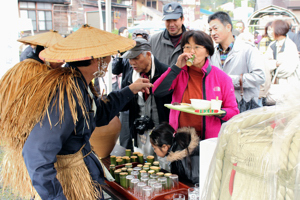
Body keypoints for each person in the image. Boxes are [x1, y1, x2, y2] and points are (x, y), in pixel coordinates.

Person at [0, 25, 152, 200]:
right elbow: (37, 153)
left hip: (83, 171)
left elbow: (98, 113)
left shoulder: (79, 83)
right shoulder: (65, 94)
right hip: (66, 183)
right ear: (97, 59)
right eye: (107, 55)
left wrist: (129, 90)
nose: (110, 59)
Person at [153, 30, 239, 139]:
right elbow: (157, 91)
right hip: (180, 138)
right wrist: (176, 67)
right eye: (187, 47)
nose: (191, 51)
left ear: (207, 52)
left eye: (197, 47)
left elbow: (233, 111)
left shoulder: (222, 77)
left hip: (208, 139)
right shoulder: (179, 72)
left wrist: (218, 112)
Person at [120, 38, 172, 155]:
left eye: (136, 58)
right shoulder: (129, 75)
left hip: (162, 133)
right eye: (129, 58)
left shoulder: (165, 72)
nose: (132, 62)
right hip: (140, 132)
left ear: (148, 54)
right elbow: (124, 105)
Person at [208, 11, 265, 112]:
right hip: (220, 108)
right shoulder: (212, 53)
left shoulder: (248, 49)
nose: (213, 33)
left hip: (243, 105)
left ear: (228, 27)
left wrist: (229, 80)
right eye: (210, 30)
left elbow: (259, 76)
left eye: (215, 28)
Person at [112, 29, 150, 150]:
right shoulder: (126, 60)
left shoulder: (149, 63)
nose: (133, 61)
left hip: (143, 108)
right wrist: (119, 55)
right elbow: (115, 70)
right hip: (128, 104)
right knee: (126, 138)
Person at [265, 20, 299, 86]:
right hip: (273, 84)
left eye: (272, 29)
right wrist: (276, 63)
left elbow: (288, 68)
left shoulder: (290, 46)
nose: (270, 32)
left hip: (288, 85)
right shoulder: (272, 45)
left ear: (278, 30)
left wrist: (273, 69)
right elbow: (265, 63)